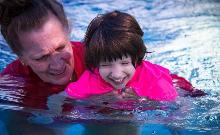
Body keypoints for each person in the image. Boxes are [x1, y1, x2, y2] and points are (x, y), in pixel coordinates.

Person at [0, 0, 85, 134]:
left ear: (68, 31)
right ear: (21, 58)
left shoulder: (99, 59)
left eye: (60, 47)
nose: (57, 65)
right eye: (41, 57)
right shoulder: (10, 85)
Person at [65, 10, 178, 102]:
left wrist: (142, 101)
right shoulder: (91, 78)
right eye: (105, 65)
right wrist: (98, 100)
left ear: (136, 58)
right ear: (96, 63)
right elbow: (70, 100)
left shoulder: (155, 82)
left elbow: (173, 109)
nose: (117, 74)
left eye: (125, 63)